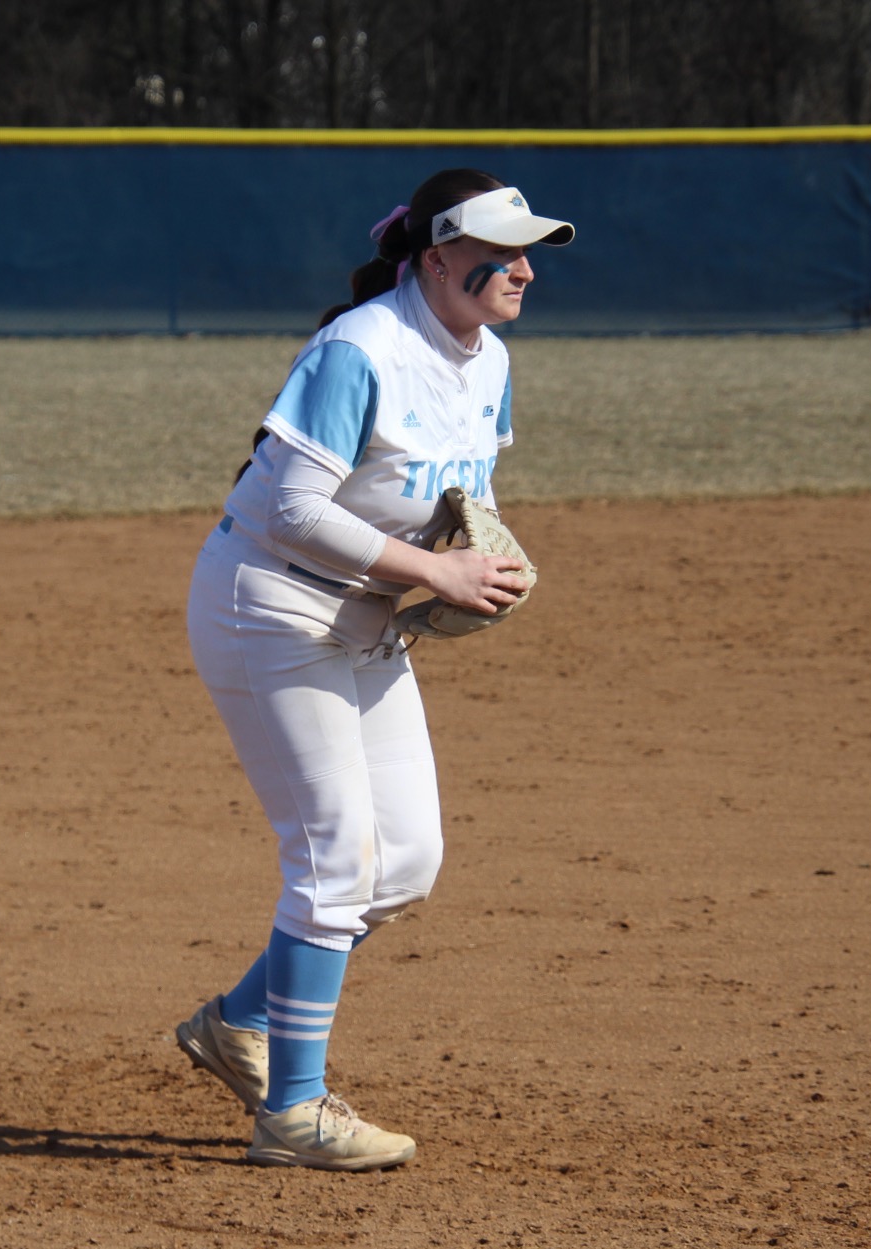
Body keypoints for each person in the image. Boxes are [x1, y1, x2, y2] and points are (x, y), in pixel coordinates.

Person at [174, 168, 574, 1171]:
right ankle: (292, 1111)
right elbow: (291, 510)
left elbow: (452, 494)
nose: (521, 268)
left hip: (361, 619)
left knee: (404, 863)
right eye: (498, 250)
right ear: (434, 258)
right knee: (335, 856)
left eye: (528, 250)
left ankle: (236, 1024)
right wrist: (432, 569)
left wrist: (482, 559)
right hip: (268, 606)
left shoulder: (486, 362)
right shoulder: (358, 349)